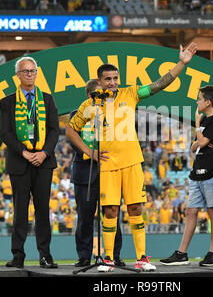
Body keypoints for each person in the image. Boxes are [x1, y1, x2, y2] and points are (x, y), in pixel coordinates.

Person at [66, 43, 197, 272]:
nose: (113, 82)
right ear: (99, 81)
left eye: (116, 78)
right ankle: (107, 259)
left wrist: (181, 64)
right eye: (108, 79)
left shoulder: (131, 93)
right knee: (110, 212)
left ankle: (141, 258)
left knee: (136, 209)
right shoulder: (90, 104)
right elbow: (70, 130)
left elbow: (160, 84)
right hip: (107, 165)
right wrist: (90, 152)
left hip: (132, 163)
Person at [0, 56, 59, 269]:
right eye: (25, 71)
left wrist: (44, 152)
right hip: (20, 162)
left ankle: (45, 255)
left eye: (33, 71)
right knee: (20, 211)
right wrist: (24, 152)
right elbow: (5, 133)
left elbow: (54, 130)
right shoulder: (7, 102)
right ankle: (18, 255)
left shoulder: (47, 99)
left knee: (43, 210)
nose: (30, 74)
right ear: (18, 75)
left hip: (44, 162)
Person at [160, 86, 213, 267]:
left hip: (211, 173)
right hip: (197, 172)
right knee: (191, 211)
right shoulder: (206, 120)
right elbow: (194, 146)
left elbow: (202, 142)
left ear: (208, 102)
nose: (197, 102)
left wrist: (199, 130)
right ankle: (181, 253)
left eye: (199, 99)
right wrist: (200, 140)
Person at [70, 79, 124, 267]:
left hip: (110, 171)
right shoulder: (76, 115)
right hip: (85, 173)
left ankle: (114, 254)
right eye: (99, 95)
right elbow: (74, 143)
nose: (104, 98)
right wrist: (90, 152)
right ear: (88, 96)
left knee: (112, 215)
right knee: (85, 217)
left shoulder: (114, 116)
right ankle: (84, 255)